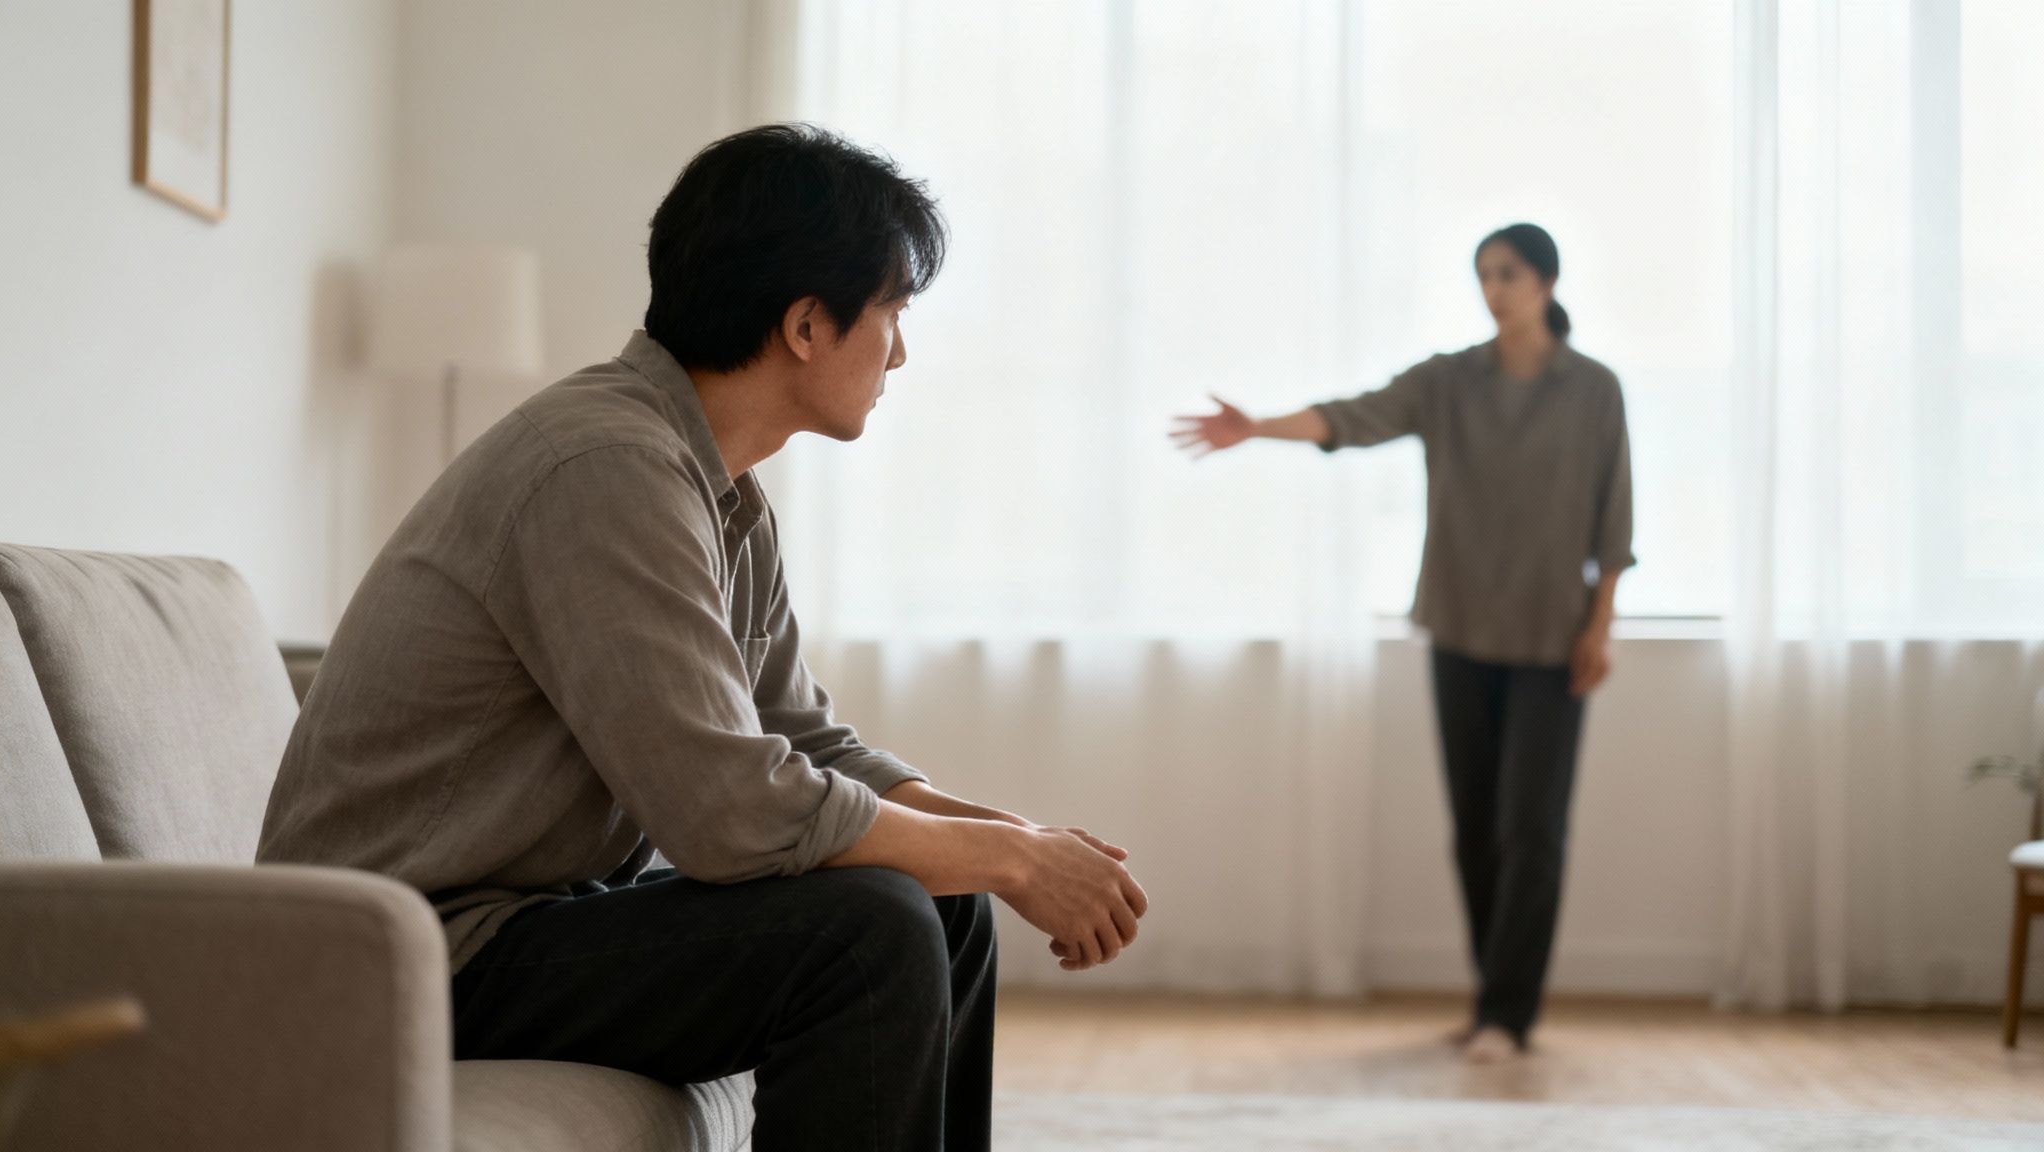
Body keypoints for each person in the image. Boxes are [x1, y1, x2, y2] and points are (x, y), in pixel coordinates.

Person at [259, 123, 1149, 1151]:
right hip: (400, 955)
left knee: (947, 903)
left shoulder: (715, 489)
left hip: (510, 923)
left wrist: (1022, 845)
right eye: (893, 313)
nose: (900, 352)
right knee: (864, 933)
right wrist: (1012, 859)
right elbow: (730, 812)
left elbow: (805, 743)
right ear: (806, 324)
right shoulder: (602, 467)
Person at [1171, 223, 1633, 1064]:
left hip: (1552, 639)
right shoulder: (1448, 381)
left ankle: (1508, 1015)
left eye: (1508, 274)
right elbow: (1354, 417)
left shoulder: (1595, 390)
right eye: (1483, 274)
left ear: (1547, 282)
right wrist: (1257, 427)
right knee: (1474, 829)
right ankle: (1491, 1001)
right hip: (1459, 630)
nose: (1493, 289)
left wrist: (1601, 626)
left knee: (1532, 832)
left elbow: (1614, 519)